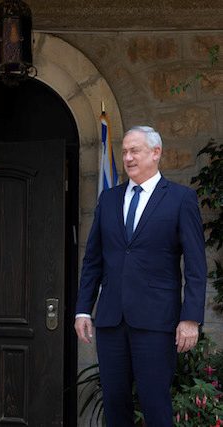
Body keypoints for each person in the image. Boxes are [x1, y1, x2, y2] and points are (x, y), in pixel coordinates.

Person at [74, 126, 207, 427]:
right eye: (124, 152)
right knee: (115, 405)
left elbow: (197, 265)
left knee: (155, 404)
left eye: (136, 151)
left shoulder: (180, 199)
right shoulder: (109, 199)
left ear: (156, 153)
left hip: (156, 322)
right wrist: (84, 308)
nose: (128, 157)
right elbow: (93, 260)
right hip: (111, 321)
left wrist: (191, 318)